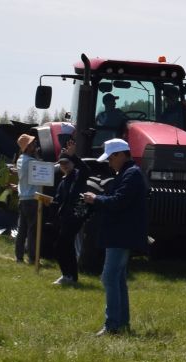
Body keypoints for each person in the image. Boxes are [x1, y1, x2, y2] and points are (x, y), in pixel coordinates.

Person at [82, 137, 146, 335]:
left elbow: (119, 201)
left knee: (109, 277)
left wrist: (96, 199)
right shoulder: (128, 173)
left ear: (120, 155)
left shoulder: (131, 174)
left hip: (121, 234)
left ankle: (112, 325)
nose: (109, 163)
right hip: (120, 233)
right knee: (117, 278)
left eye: (110, 158)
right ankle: (122, 323)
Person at [49, 152, 85, 286]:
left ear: (73, 163)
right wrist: (49, 202)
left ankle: (66, 275)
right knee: (68, 247)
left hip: (74, 217)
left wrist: (75, 155)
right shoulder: (63, 180)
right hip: (65, 217)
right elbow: (59, 200)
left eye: (66, 163)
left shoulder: (78, 176)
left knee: (60, 247)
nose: (64, 166)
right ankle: (73, 277)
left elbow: (86, 169)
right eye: (62, 163)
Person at [14, 133, 40, 264]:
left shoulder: (20, 159)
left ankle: (19, 257)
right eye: (32, 144)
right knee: (32, 231)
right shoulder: (31, 162)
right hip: (32, 200)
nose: (35, 145)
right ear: (27, 147)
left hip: (23, 199)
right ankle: (32, 258)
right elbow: (48, 169)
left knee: (22, 230)